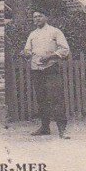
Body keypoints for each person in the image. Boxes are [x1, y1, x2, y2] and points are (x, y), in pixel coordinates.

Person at [22, 10, 71, 138]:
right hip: (36, 69)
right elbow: (27, 50)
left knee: (56, 99)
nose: (37, 19)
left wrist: (50, 57)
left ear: (46, 17)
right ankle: (45, 128)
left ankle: (62, 129)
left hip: (51, 69)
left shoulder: (55, 32)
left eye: (40, 16)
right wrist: (26, 54)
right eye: (35, 17)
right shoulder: (32, 34)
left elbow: (65, 50)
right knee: (41, 99)